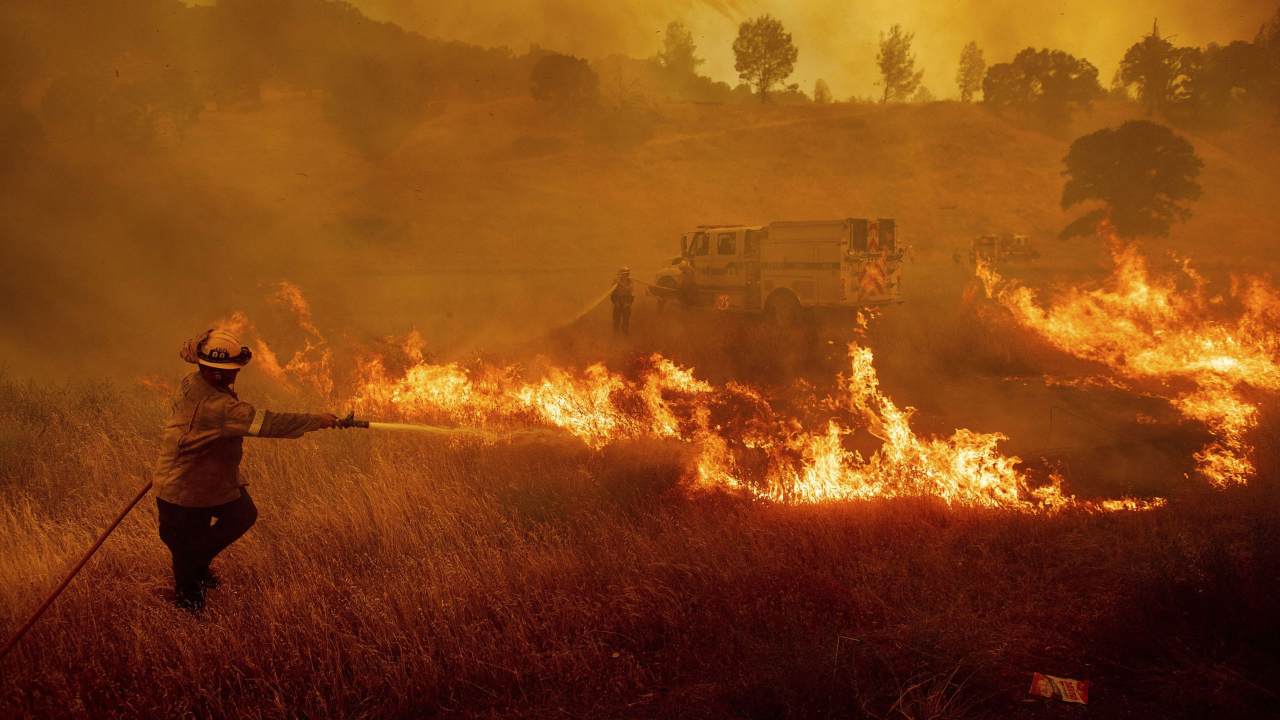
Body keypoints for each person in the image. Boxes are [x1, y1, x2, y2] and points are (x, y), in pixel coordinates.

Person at [153, 328, 338, 610]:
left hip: (203, 481)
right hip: (184, 491)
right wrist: (317, 420)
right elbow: (270, 423)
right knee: (188, 563)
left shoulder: (193, 381)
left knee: (241, 513)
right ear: (216, 374)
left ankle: (196, 563)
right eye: (232, 371)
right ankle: (190, 607)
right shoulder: (222, 407)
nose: (235, 375)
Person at [610, 267, 634, 335]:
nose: (626, 275)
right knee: (616, 318)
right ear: (621, 274)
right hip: (617, 300)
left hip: (626, 300)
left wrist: (628, 303)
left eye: (627, 274)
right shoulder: (615, 282)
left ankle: (625, 330)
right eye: (624, 274)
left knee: (626, 318)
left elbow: (631, 293)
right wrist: (616, 302)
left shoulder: (630, 282)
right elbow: (612, 293)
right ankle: (616, 332)